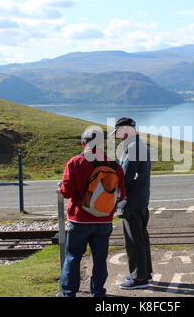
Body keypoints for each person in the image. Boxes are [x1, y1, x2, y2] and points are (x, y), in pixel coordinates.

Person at [59, 129, 126, 297]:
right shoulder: (114, 164)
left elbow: (66, 192)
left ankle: (69, 292)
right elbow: (122, 194)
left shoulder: (75, 162)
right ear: (103, 144)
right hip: (104, 220)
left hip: (79, 219)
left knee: (73, 257)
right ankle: (97, 292)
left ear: (84, 143)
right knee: (100, 258)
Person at [112, 117, 153, 290]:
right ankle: (144, 273)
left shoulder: (132, 147)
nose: (119, 137)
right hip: (140, 199)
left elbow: (126, 176)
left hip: (131, 201)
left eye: (119, 133)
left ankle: (138, 278)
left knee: (133, 240)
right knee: (141, 237)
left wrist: (115, 196)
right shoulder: (139, 144)